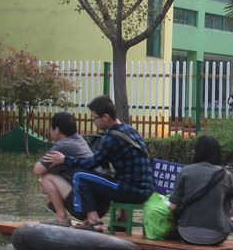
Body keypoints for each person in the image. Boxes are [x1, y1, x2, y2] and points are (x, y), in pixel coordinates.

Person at [44, 96, 152, 232]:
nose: (93, 121)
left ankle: (93, 221)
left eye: (94, 118)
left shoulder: (112, 138)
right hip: (146, 189)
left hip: (131, 190)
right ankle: (122, 219)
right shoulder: (129, 130)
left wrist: (65, 160)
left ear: (106, 117)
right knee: (115, 175)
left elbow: (92, 163)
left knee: (80, 175)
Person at [169, 135, 233, 245]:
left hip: (186, 234)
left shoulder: (185, 171)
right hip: (216, 237)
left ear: (196, 151)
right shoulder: (224, 174)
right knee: (232, 215)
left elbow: (173, 207)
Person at [33, 112, 93, 226]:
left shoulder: (63, 145)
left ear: (57, 130)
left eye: (51, 129)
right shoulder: (80, 140)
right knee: (55, 173)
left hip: (85, 206)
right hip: (96, 206)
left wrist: (46, 170)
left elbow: (37, 170)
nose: (50, 132)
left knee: (46, 178)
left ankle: (62, 218)